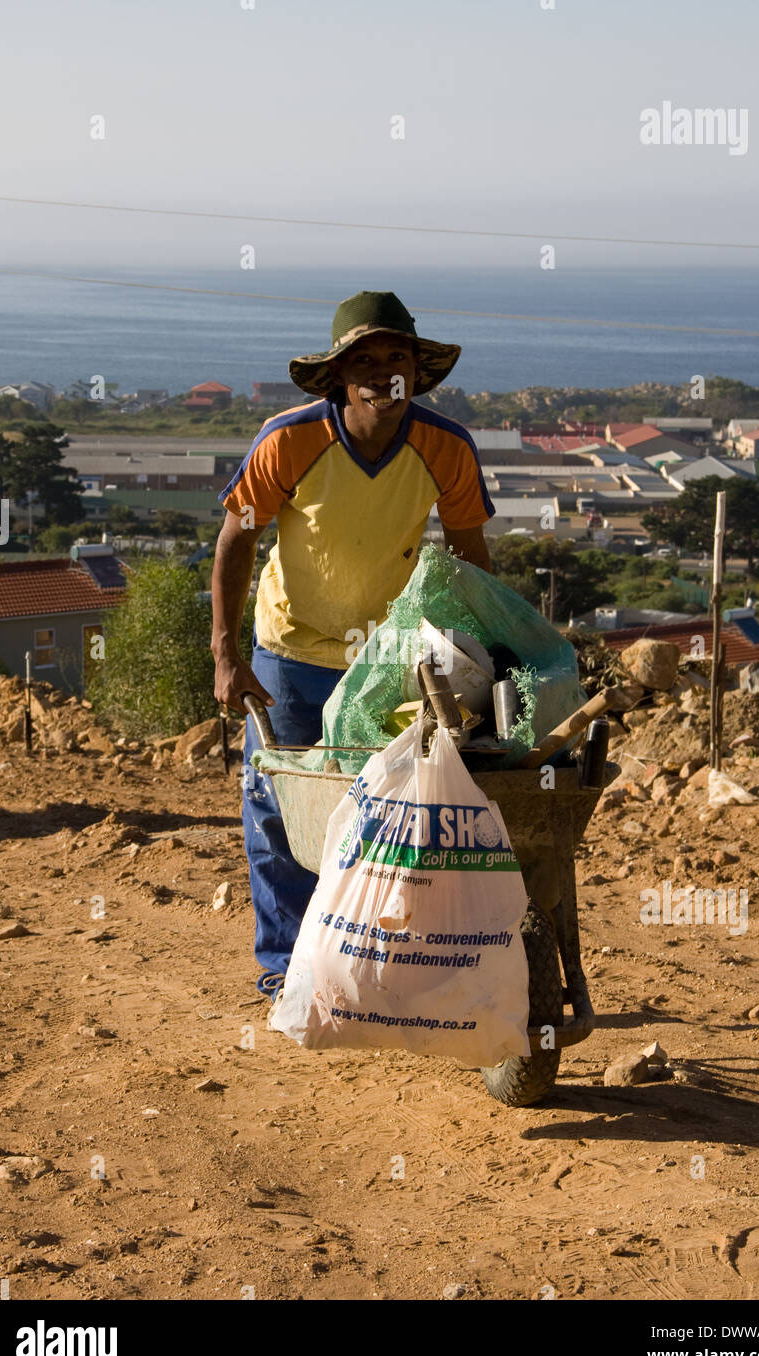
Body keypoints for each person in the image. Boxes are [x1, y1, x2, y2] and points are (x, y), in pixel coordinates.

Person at [210, 290, 494, 1002]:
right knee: (280, 808)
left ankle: (373, 962)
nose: (380, 372)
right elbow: (237, 537)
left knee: (389, 817)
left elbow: (470, 556)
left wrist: (485, 658)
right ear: (338, 375)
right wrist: (225, 653)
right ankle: (286, 969)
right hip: (289, 652)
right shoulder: (289, 439)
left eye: (395, 356)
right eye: (361, 359)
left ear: (416, 372)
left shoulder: (446, 448)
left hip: (390, 664)